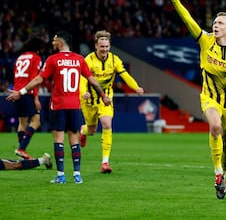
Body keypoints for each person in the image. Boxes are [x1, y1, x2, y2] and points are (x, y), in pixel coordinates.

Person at [163, 0, 226, 199]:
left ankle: (225, 163)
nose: (216, 24)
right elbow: (188, 20)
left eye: (221, 23)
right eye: (215, 21)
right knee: (214, 127)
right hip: (210, 97)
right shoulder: (206, 41)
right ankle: (218, 174)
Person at [6, 31, 111, 184]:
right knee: (74, 140)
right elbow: (93, 81)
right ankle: (77, 175)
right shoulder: (79, 59)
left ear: (61, 43)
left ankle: (61, 175)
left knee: (59, 141)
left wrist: (21, 92)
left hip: (59, 105)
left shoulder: (53, 59)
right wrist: (104, 96)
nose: (52, 42)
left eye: (55, 40)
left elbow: (39, 79)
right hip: (75, 106)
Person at [79, 30, 144, 174]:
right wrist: (84, 92)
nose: (104, 50)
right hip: (89, 99)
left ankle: (105, 162)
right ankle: (82, 131)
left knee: (107, 124)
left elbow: (125, 75)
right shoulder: (88, 61)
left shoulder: (114, 60)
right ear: (96, 46)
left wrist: (136, 87)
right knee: (91, 130)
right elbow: (82, 79)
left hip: (106, 98)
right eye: (102, 47)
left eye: (107, 47)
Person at [11, 37, 45, 159]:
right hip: (27, 93)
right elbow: (35, 78)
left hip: (17, 92)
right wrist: (36, 98)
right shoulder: (36, 58)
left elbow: (15, 75)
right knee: (36, 121)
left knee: (22, 123)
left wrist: (16, 91)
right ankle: (22, 148)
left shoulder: (20, 57)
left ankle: (21, 153)